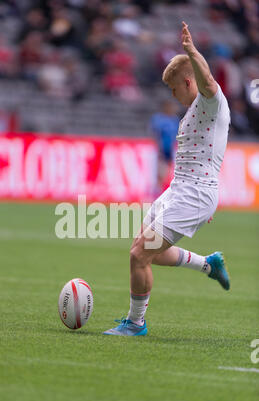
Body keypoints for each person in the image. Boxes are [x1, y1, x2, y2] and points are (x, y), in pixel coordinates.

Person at [103, 22, 231, 336]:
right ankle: (208, 264)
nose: (172, 95)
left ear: (189, 81)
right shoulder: (194, 110)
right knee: (149, 251)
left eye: (174, 89)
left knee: (138, 255)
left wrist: (191, 50)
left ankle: (135, 324)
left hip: (194, 194)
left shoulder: (210, 102)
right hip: (180, 191)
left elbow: (209, 81)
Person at [150, 100, 180, 194]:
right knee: (158, 173)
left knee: (168, 173)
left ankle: (164, 193)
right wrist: (158, 148)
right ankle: (154, 193)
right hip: (160, 150)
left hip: (171, 150)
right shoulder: (158, 119)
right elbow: (154, 134)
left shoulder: (175, 120)